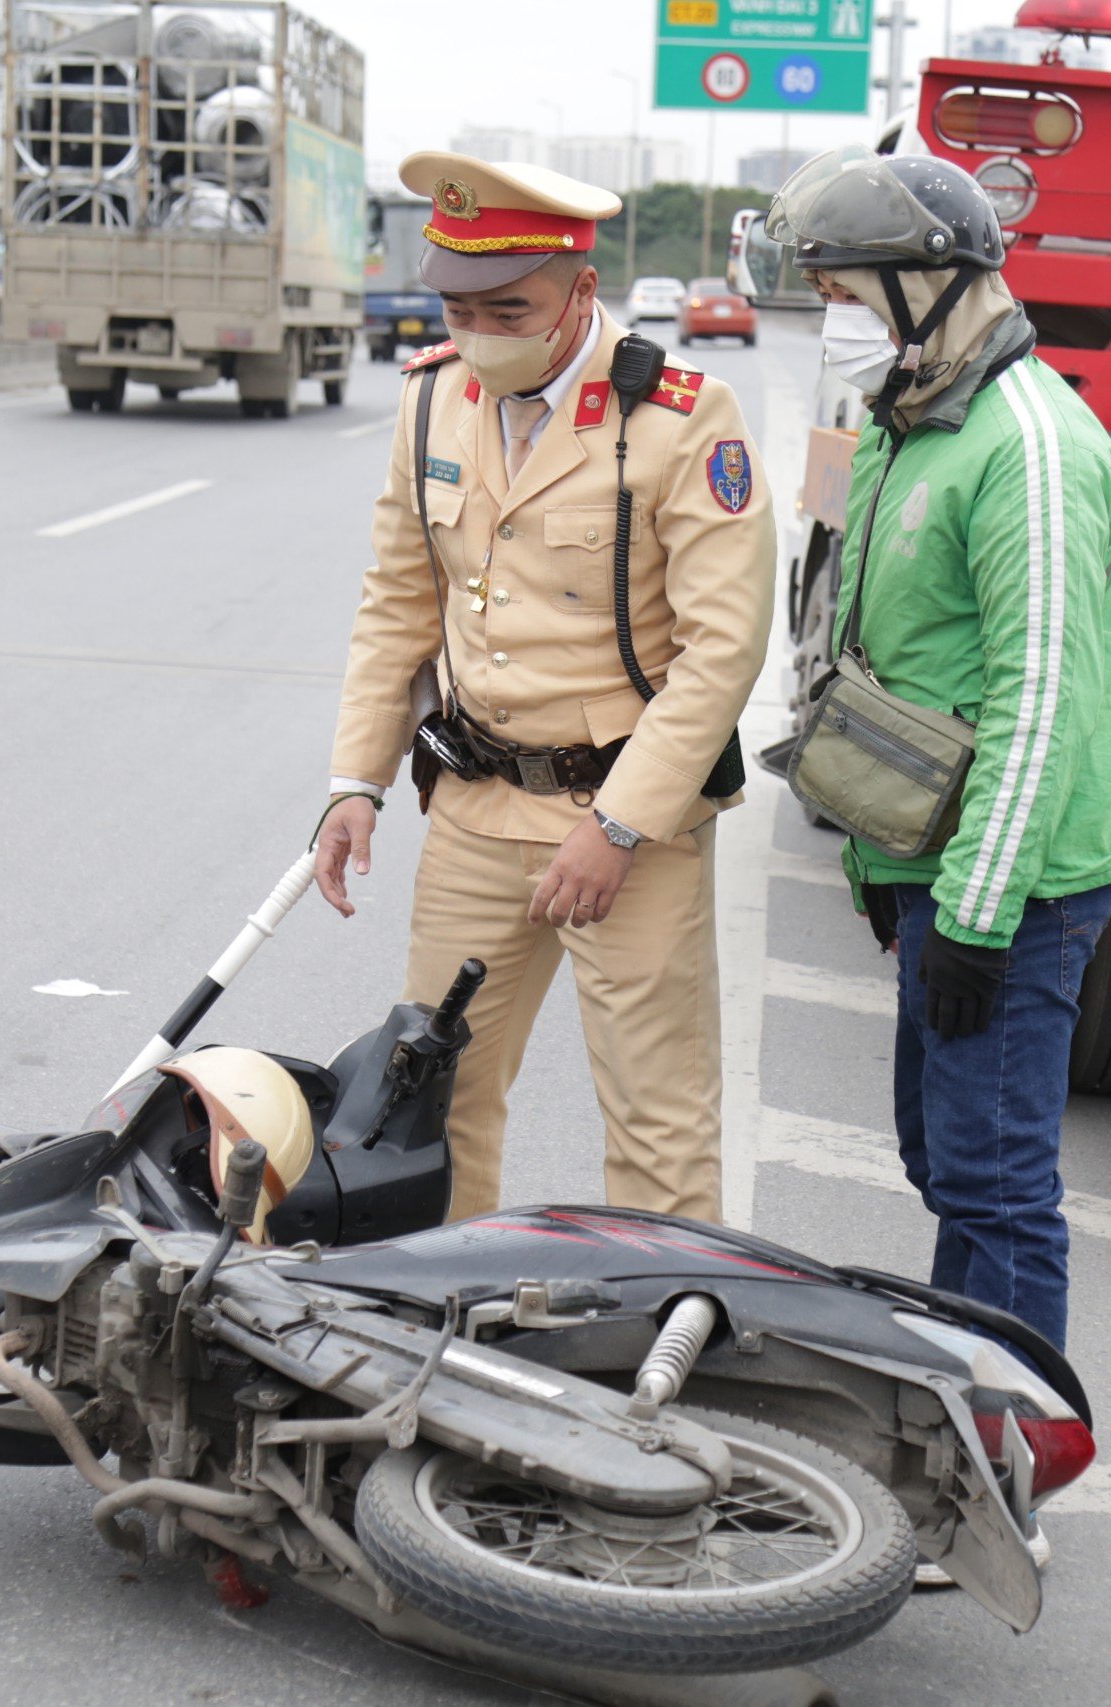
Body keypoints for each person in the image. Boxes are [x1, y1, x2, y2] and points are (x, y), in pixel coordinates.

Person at [311, 151, 776, 1225]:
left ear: (579, 291)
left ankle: (657, 1331)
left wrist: (615, 830)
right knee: (429, 1094)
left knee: (655, 1114)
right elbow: (394, 603)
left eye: (506, 306)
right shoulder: (432, 402)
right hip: (475, 806)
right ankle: (440, 1317)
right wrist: (354, 783)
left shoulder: (678, 417)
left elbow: (722, 651)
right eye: (455, 304)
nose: (478, 330)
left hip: (628, 823)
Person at [767, 147, 1111, 1355]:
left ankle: (1010, 1459)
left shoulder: (1024, 446)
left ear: (922, 284)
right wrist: (884, 878)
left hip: (1015, 878)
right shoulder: (914, 422)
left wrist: (977, 921)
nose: (834, 326)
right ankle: (961, 1406)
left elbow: (1037, 701)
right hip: (941, 860)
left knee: (995, 1187)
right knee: (948, 1161)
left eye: (842, 298)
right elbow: (889, 659)